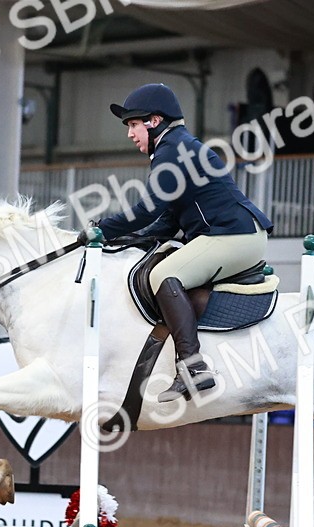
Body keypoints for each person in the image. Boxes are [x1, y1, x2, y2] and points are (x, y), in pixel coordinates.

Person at [80, 83, 273, 403]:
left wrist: (101, 229)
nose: (129, 134)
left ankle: (193, 368)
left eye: (133, 125)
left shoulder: (171, 151)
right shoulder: (175, 147)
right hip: (232, 234)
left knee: (163, 275)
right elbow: (167, 220)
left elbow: (147, 211)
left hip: (234, 236)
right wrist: (126, 240)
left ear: (154, 121)